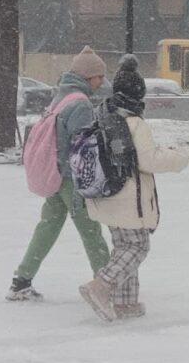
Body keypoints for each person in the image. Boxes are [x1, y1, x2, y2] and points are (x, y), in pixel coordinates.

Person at [78, 55, 189, 321]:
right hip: (128, 198)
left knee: (123, 247)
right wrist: (179, 156)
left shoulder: (103, 115)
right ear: (139, 95)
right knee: (138, 247)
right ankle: (101, 286)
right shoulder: (135, 123)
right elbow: (148, 160)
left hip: (106, 194)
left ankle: (125, 303)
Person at [7, 47, 111, 301]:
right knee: (91, 232)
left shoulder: (61, 97)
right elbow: (83, 148)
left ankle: (22, 280)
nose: (101, 82)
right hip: (71, 179)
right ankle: (108, 284)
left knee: (48, 227)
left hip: (54, 174)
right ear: (89, 77)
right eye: (99, 77)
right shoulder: (81, 104)